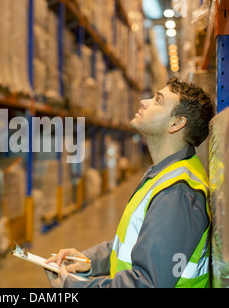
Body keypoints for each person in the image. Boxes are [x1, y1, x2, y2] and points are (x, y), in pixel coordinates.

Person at [45, 77, 216, 288]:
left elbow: (146, 284)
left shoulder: (177, 194)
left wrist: (74, 287)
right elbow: (137, 244)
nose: (144, 101)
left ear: (176, 123)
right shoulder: (165, 173)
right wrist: (88, 261)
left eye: (158, 100)